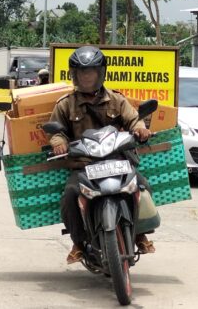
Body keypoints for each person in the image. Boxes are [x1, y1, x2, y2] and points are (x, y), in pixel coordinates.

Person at [48, 46, 155, 264]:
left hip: (117, 161)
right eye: (82, 73)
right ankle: (78, 243)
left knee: (142, 186)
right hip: (84, 165)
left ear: (100, 73)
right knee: (70, 196)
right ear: (75, 75)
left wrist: (140, 129)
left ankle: (139, 234)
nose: (86, 77)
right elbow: (57, 131)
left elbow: (133, 119)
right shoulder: (65, 104)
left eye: (91, 72)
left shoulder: (117, 100)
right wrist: (58, 142)